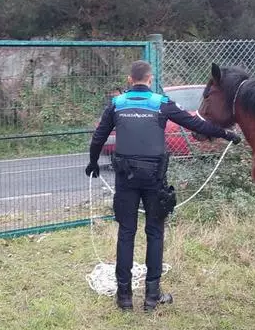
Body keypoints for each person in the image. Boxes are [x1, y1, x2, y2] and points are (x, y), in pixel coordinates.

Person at [86, 60, 240, 311]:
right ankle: (152, 296)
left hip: (125, 178)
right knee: (155, 232)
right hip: (154, 178)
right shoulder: (161, 103)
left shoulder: (116, 104)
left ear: (129, 80)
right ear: (150, 79)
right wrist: (227, 134)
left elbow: (98, 138)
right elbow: (196, 124)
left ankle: (124, 297)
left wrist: (93, 163)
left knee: (126, 233)